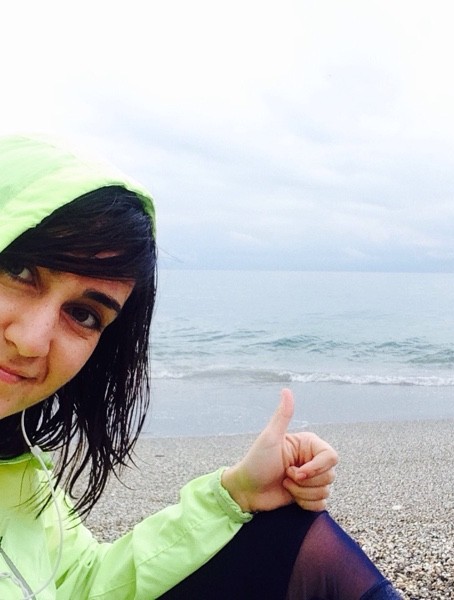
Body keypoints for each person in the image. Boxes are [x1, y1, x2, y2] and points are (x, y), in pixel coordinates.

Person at [0, 133, 402, 599]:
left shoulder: (16, 471)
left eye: (84, 314)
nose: (31, 341)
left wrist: (236, 494)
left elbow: (80, 583)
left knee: (283, 532)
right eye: (19, 271)